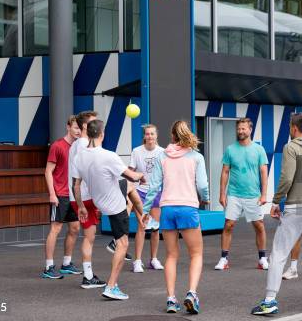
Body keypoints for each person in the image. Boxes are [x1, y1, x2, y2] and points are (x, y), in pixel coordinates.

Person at [251, 113, 302, 316]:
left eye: (289, 126)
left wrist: (276, 201)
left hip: (297, 208)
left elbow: (287, 178)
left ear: (294, 128)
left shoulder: (291, 148)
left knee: (278, 254)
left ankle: (269, 300)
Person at [142, 120, 209, 314]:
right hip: (188, 208)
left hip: (167, 210)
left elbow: (153, 186)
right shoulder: (196, 157)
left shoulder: (162, 156)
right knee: (196, 254)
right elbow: (203, 186)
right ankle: (191, 293)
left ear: (172, 136)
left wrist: (146, 210)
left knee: (171, 255)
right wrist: (205, 199)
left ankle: (171, 299)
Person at [74, 119, 145, 300]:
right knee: (123, 244)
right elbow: (132, 174)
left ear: (88, 134)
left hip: (99, 201)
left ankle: (143, 216)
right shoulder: (108, 155)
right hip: (114, 205)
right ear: (102, 135)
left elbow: (76, 185)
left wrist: (81, 206)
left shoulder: (79, 156)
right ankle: (111, 286)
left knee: (129, 188)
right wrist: (142, 176)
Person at [215, 118, 269, 271]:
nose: (240, 131)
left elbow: (263, 172)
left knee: (259, 226)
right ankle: (224, 259)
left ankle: (262, 258)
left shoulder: (259, 150)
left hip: (253, 195)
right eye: (239, 129)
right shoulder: (230, 149)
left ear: (250, 130)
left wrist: (264, 194)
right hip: (234, 194)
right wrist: (222, 194)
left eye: (243, 129)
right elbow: (225, 172)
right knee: (228, 225)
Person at [68, 110, 107, 289]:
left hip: (81, 197)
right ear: (85, 126)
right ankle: (88, 276)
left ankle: (88, 275)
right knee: (89, 237)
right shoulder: (83, 143)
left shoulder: (78, 143)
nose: (96, 124)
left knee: (89, 236)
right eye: (93, 122)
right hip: (84, 197)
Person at [42, 116, 82, 279]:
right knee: (56, 229)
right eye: (75, 128)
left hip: (74, 195)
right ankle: (49, 267)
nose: (78, 131)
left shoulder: (80, 148)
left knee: (75, 228)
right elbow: (48, 171)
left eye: (81, 128)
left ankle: (66, 264)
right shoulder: (57, 146)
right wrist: (52, 193)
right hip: (60, 194)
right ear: (68, 127)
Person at [129, 124, 165, 273]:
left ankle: (154, 259)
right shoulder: (137, 151)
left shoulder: (163, 152)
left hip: (156, 193)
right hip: (141, 193)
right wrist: (130, 191)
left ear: (156, 136)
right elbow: (130, 172)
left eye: (152, 134)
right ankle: (137, 261)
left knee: (155, 229)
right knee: (142, 226)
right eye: (147, 134)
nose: (150, 137)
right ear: (144, 136)